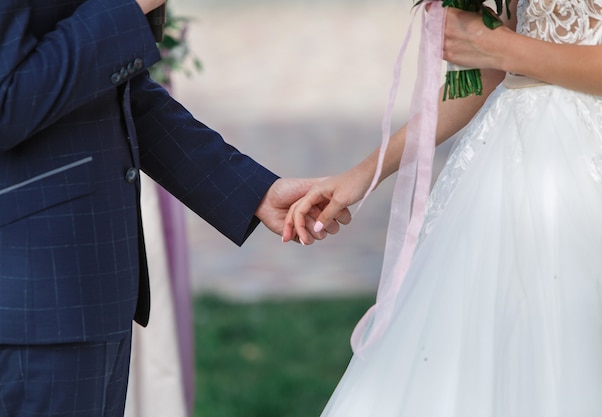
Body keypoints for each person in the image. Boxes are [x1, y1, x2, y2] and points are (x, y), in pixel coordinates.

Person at [0, 0, 349, 416]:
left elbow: (111, 95)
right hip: (32, 303)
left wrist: (253, 191)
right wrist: (129, 7)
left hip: (80, 294)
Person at [283, 0, 602, 415]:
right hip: (501, 167)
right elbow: (485, 73)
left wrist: (499, 46)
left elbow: (505, 51)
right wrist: (362, 175)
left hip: (586, 165)